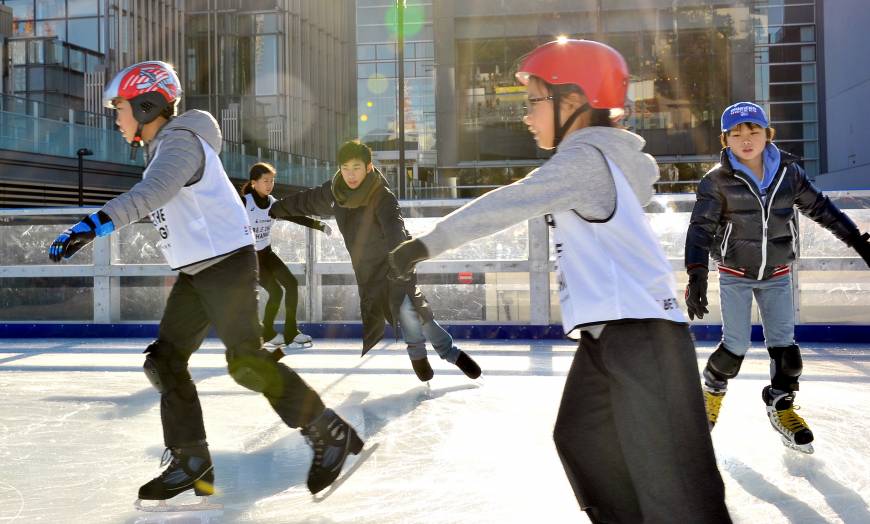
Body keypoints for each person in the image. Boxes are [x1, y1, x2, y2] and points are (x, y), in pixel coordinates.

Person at [389, 40, 731, 523]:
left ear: (572, 102)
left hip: (642, 334)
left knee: (676, 486)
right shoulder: (594, 159)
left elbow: (509, 202)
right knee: (584, 440)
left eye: (533, 101)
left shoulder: (585, 161)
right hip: (609, 335)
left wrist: (427, 244)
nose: (525, 116)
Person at [47, 61, 363, 503]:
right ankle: (192, 462)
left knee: (246, 363)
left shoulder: (180, 143)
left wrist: (89, 226)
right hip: (199, 271)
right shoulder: (167, 146)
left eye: (118, 107)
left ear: (146, 104)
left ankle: (329, 432)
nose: (115, 117)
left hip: (224, 266)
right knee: (165, 361)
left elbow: (150, 195)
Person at [684, 101, 870, 453]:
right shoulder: (717, 181)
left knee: (788, 355)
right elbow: (700, 229)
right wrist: (696, 274)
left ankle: (780, 406)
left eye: (753, 130)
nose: (746, 139)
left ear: (767, 133)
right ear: (726, 139)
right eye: (736, 133)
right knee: (734, 349)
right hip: (735, 273)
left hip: (778, 273)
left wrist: (858, 241)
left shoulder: (789, 173)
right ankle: (710, 393)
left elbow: (822, 210)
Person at [269, 140, 482, 382]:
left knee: (411, 311)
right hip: (367, 272)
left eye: (356, 168)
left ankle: (445, 353)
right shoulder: (335, 190)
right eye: (345, 168)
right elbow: (306, 201)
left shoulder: (381, 196)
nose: (350, 175)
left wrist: (400, 262)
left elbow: (395, 230)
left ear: (368, 167)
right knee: (407, 313)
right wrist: (276, 209)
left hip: (395, 264)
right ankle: (428, 355)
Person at [241, 161, 332, 353]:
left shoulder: (273, 203)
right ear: (253, 183)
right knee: (276, 292)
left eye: (272, 181)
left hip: (267, 253)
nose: (269, 184)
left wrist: (319, 225)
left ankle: (290, 332)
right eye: (265, 180)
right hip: (250, 259)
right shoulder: (244, 203)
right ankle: (267, 333)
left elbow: (295, 215)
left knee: (290, 284)